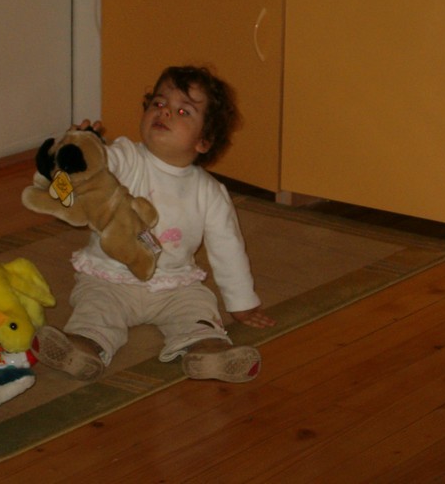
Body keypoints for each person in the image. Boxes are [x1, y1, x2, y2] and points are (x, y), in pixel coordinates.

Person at [31, 65, 276, 383]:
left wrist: (242, 302)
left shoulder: (209, 192)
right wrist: (79, 152)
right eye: (158, 103)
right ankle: (82, 347)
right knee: (95, 310)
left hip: (175, 284)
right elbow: (100, 166)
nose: (165, 112)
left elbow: (228, 248)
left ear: (204, 141)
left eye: (183, 111)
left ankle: (208, 350)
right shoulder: (128, 156)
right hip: (110, 277)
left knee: (199, 309)